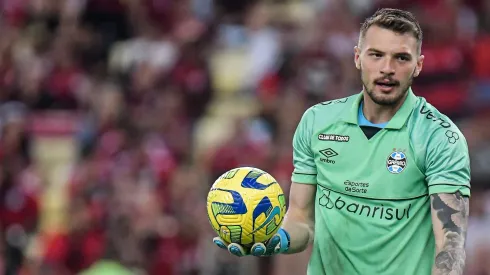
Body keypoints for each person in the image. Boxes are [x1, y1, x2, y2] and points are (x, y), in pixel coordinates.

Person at [212, 8, 471, 275]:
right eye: (376, 55)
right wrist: (277, 240)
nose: (387, 69)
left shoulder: (440, 137)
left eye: (401, 58)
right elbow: (301, 219)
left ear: (418, 65)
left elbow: (450, 243)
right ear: (358, 58)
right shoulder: (316, 122)